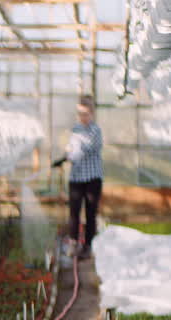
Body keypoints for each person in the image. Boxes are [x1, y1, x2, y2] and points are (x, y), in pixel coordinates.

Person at [51, 95, 103, 258]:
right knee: (74, 212)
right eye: (80, 113)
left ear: (92, 113)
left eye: (86, 113)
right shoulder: (75, 129)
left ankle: (88, 246)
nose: (83, 117)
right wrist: (66, 154)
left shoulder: (95, 131)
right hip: (76, 178)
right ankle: (73, 243)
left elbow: (82, 150)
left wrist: (66, 158)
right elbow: (72, 147)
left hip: (92, 178)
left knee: (90, 213)